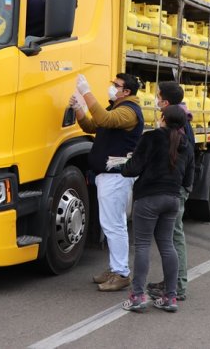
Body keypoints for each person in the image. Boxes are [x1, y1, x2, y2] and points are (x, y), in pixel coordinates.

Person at [70, 73, 143, 292]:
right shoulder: (116, 107)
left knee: (114, 225)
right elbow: (93, 126)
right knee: (111, 224)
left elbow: (103, 120)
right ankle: (115, 268)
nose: (112, 88)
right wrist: (79, 109)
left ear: (126, 91)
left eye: (116, 86)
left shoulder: (129, 112)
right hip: (108, 176)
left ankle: (121, 273)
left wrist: (86, 92)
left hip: (116, 177)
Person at [120, 105, 195, 312]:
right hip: (172, 200)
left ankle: (138, 296)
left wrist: (122, 165)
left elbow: (132, 168)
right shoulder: (186, 145)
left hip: (148, 198)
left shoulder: (151, 137)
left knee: (143, 245)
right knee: (167, 245)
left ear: (163, 118)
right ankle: (170, 298)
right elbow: (188, 179)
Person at [146, 81, 194, 302]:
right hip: (178, 187)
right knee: (170, 237)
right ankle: (171, 281)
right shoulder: (182, 118)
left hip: (175, 189)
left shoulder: (179, 124)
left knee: (174, 237)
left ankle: (178, 286)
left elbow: (185, 157)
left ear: (165, 102)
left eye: (158, 97)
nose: (156, 100)